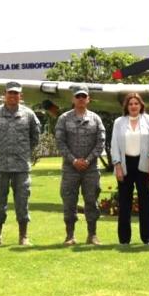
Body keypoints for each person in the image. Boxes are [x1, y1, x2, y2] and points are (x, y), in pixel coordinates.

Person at [0, 81, 42, 247]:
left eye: (16, 93)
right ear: (5, 94)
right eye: (10, 93)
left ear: (20, 96)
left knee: (22, 202)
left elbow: (35, 138)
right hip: (0, 166)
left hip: (21, 166)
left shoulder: (28, 115)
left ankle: (23, 236)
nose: (13, 96)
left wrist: (21, 152)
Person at [56, 86, 105, 245]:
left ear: (88, 99)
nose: (81, 99)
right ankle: (70, 236)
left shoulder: (96, 119)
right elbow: (60, 142)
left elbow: (101, 142)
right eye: (78, 97)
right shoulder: (64, 118)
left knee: (91, 201)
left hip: (90, 169)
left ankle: (92, 235)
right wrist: (74, 160)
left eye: (84, 96)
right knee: (69, 202)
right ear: (73, 99)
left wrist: (88, 160)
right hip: (70, 169)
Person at [110, 93, 149, 245]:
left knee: (145, 203)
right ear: (126, 106)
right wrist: (117, 166)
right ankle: (124, 239)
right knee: (124, 203)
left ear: (141, 105)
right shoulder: (119, 122)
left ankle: (148, 238)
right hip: (125, 165)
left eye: (136, 103)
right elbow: (114, 145)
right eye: (130, 104)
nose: (133, 106)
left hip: (143, 164)